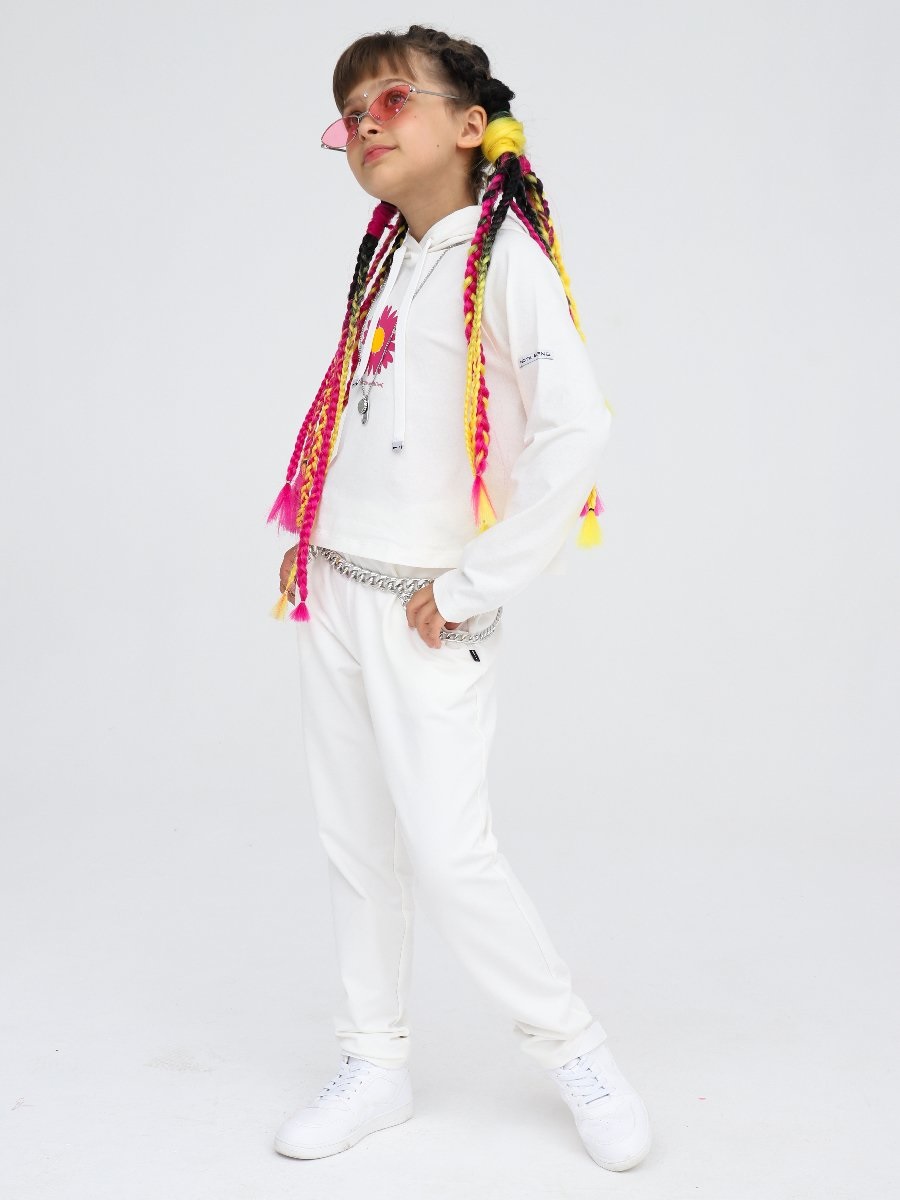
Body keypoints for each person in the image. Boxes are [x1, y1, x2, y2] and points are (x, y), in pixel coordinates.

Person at [266, 24, 651, 1173]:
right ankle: (374, 1059)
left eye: (391, 100)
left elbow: (576, 429)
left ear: (471, 124)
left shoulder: (504, 259)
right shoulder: (390, 253)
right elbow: (370, 418)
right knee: (354, 841)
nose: (365, 125)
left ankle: (575, 1048)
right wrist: (318, 537)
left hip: (425, 612)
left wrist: (477, 583)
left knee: (448, 850)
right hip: (338, 587)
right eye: (350, 114)